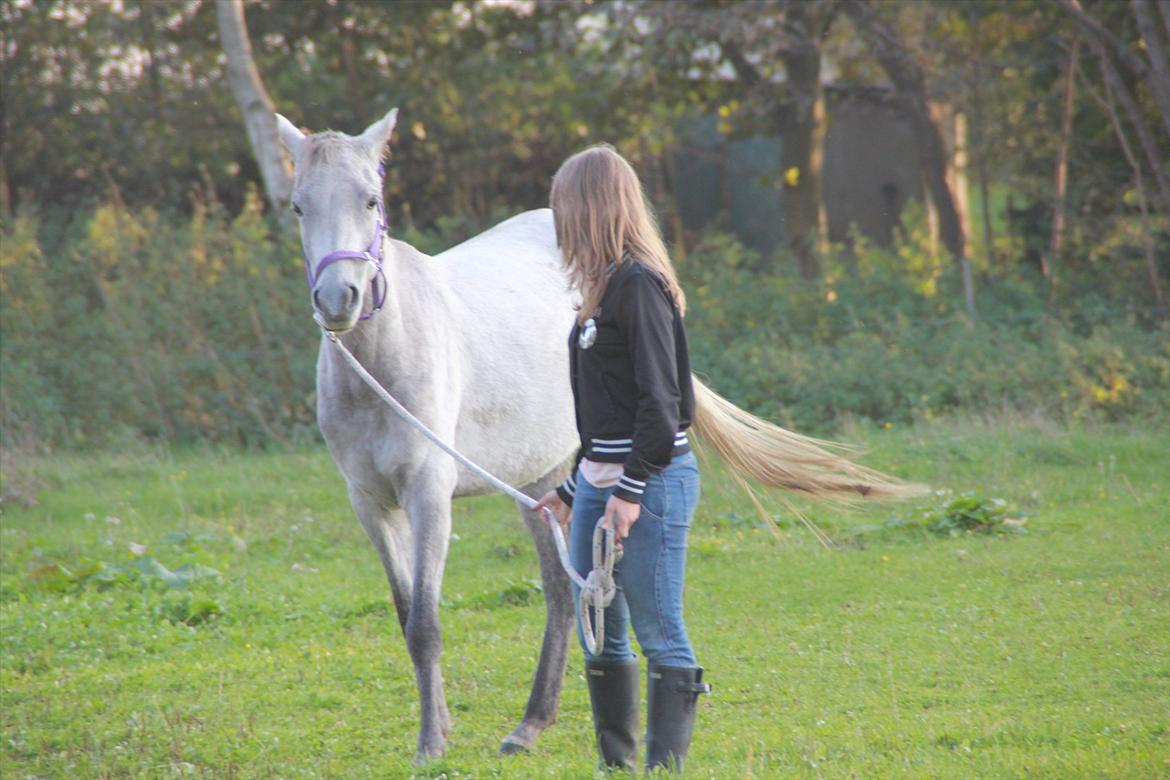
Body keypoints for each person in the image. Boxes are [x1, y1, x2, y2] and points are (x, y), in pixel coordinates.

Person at [535, 144, 709, 773]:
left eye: (563, 206)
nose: (557, 221)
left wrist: (629, 493)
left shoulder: (639, 286)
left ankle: (664, 769)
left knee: (660, 633)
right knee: (600, 633)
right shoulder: (602, 290)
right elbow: (609, 410)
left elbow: (662, 407)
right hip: (598, 485)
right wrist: (571, 488)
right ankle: (617, 767)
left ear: (589, 207)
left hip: (652, 487)